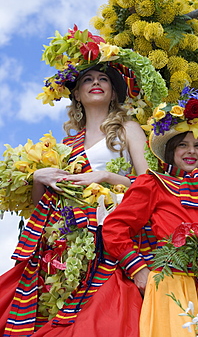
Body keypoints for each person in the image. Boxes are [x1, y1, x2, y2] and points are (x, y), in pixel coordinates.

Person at [0, 32, 151, 336]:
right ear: (77, 95)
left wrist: (106, 177)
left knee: (101, 318)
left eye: (103, 79)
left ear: (113, 92)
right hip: (61, 244)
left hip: (110, 237)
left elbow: (150, 184)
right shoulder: (67, 144)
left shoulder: (128, 128)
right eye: (87, 80)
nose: (96, 82)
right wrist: (38, 178)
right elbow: (41, 206)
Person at [103, 89, 198, 337]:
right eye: (183, 144)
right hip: (167, 285)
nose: (191, 151)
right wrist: (139, 271)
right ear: (171, 150)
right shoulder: (153, 184)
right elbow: (115, 228)